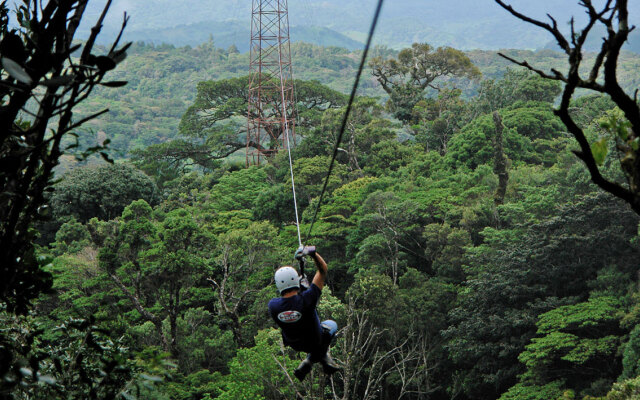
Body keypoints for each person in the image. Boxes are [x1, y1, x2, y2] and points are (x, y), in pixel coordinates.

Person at [268, 246, 339, 381]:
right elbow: (323, 270)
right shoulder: (307, 298)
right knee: (331, 324)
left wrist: (301, 289)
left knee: (311, 332)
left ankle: (312, 360)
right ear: (296, 280)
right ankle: (314, 359)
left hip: (295, 344)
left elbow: (291, 303)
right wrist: (313, 254)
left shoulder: (273, 306)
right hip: (314, 341)